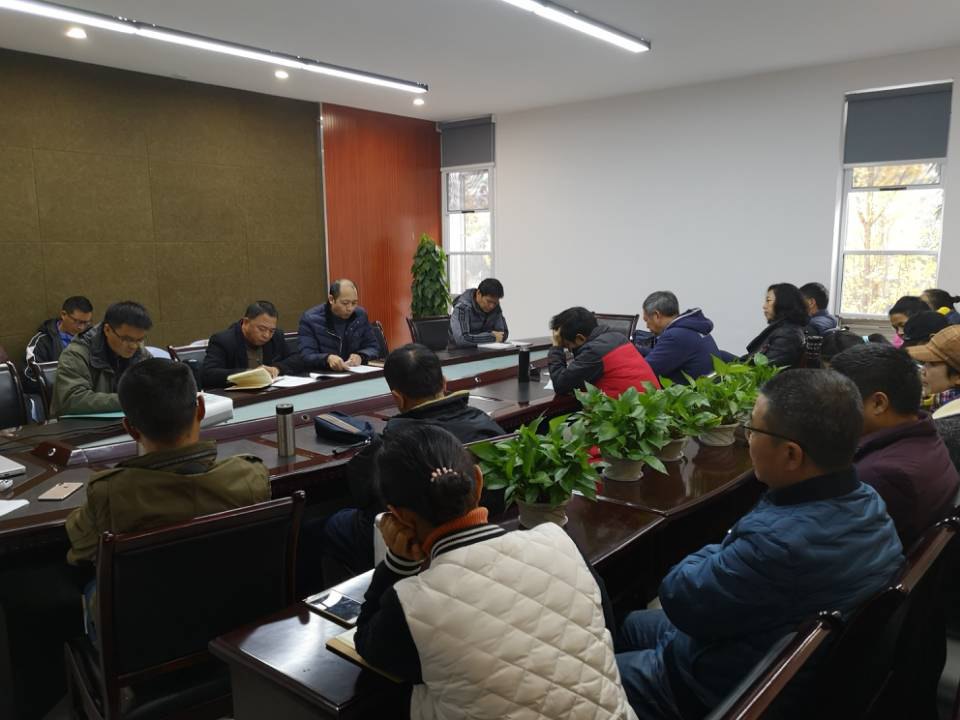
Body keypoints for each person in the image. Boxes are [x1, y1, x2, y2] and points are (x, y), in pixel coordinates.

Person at [615, 369, 902, 719]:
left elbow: (678, 596)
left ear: (791, 455)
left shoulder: (776, 544)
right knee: (627, 624)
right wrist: (728, 548)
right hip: (764, 649)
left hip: (707, 687)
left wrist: (724, 546)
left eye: (753, 430)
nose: (748, 439)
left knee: (582, 675)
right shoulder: (869, 500)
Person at [354, 425, 637, 720]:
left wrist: (398, 564)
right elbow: (606, 629)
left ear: (398, 515)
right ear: (478, 483)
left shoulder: (411, 604)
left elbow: (369, 646)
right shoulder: (559, 542)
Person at [320, 344, 505, 582]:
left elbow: (364, 494)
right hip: (484, 529)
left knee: (336, 524)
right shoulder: (483, 422)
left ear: (397, 397)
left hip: (421, 543)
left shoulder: (395, 442)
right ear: (444, 383)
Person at [830, 343, 959, 549]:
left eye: (836, 400)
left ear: (878, 403)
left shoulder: (879, 474)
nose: (828, 410)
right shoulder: (926, 436)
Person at [50, 301, 152, 417]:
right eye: (126, 339)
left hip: (125, 422)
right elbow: (71, 400)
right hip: (80, 425)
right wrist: (131, 400)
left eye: (140, 340)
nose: (133, 346)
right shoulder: (76, 354)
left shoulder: (140, 353)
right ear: (107, 330)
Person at [549, 306, 660, 396]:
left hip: (634, 413)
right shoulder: (618, 337)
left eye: (567, 345)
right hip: (653, 407)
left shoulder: (594, 351)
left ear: (580, 338)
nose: (569, 350)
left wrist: (556, 347)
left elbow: (560, 385)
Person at [201, 300, 302, 388]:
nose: (266, 335)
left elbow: (298, 358)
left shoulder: (276, 336)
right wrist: (250, 374)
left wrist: (277, 368)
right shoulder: (223, 340)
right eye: (261, 329)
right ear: (246, 322)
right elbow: (208, 374)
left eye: (271, 330)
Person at [637, 291, 722, 384]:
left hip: (692, 391)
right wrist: (636, 350)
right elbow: (661, 355)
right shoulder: (692, 328)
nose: (647, 326)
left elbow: (644, 372)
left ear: (657, 315)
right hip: (708, 388)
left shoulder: (675, 336)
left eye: (646, 320)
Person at [908, 326, 960, 471]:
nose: (923, 370)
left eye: (931, 364)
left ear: (958, 377)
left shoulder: (944, 430)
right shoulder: (936, 404)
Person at [299, 279, 380, 371]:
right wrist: (327, 358)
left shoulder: (360, 315)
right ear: (331, 299)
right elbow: (306, 356)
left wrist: (361, 356)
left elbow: (373, 347)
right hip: (325, 374)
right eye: (345, 303)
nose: (350, 308)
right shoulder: (311, 319)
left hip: (354, 372)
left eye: (354, 303)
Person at [743, 283, 808, 368]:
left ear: (783, 303)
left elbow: (763, 368)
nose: (764, 306)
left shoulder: (788, 335)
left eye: (768, 301)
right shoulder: (785, 329)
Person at [25, 295, 94, 368]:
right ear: (63, 314)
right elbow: (30, 371)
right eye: (78, 322)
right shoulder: (42, 342)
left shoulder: (93, 337)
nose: (81, 327)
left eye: (86, 322)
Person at [449, 278, 509, 348]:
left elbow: (503, 334)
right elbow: (462, 339)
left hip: (485, 350)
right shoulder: (462, 308)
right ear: (478, 294)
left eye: (495, 303)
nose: (491, 306)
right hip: (459, 351)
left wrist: (494, 337)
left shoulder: (495, 307)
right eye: (489, 301)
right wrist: (491, 337)